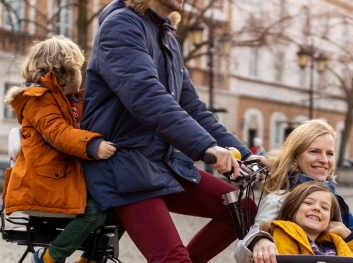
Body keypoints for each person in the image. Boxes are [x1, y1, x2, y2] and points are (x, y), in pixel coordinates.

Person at [80, 0, 267, 262]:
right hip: (123, 164)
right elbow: (147, 97)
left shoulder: (166, 36)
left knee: (242, 210)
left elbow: (194, 108)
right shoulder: (121, 25)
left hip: (160, 162)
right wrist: (205, 147)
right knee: (173, 258)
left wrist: (247, 155)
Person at [2, 36, 117, 263]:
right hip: (45, 182)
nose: (81, 75)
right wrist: (93, 145)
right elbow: (58, 133)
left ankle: (92, 258)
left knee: (123, 201)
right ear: (63, 73)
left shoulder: (70, 101)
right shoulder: (38, 100)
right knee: (96, 211)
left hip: (64, 177)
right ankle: (48, 258)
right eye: (78, 70)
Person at [234, 120, 353, 263]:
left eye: (330, 153)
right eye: (314, 151)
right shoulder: (282, 196)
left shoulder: (330, 194)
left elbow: (347, 249)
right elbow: (243, 251)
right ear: (296, 156)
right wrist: (260, 240)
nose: (324, 160)